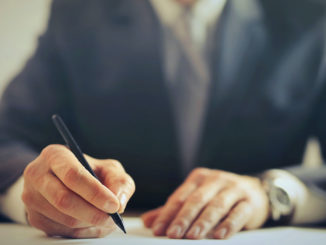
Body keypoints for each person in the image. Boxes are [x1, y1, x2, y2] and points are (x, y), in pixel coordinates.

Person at [1, 0, 326, 240]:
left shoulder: (309, 16)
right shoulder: (78, 13)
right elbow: (6, 139)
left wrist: (273, 194)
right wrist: (38, 193)